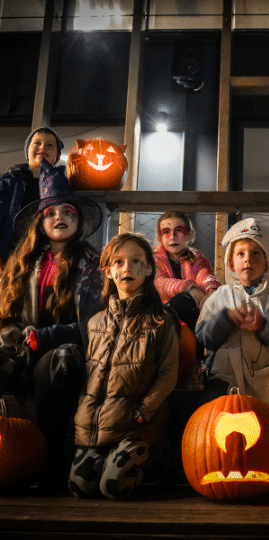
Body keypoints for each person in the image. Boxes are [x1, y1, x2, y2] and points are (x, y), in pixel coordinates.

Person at [0, 158, 102, 489]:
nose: (59, 217)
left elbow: (95, 325)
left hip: (64, 350)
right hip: (20, 349)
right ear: (41, 223)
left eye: (67, 212)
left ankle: (54, 464)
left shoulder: (90, 264)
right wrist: (11, 334)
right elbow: (4, 314)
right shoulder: (24, 261)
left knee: (61, 361)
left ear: (79, 220)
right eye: (51, 213)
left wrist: (44, 336)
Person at [69, 233, 179, 500]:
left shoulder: (160, 320)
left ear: (149, 268)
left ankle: (150, 458)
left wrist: (143, 411)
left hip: (136, 424)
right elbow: (91, 374)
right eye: (118, 262)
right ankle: (104, 452)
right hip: (100, 425)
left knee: (113, 488)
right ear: (107, 271)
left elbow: (168, 374)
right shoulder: (96, 322)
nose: (126, 268)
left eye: (135, 261)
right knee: (79, 489)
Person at [196, 217, 269, 434]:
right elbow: (204, 337)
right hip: (229, 370)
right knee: (212, 402)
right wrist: (225, 319)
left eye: (256, 253)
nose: (248, 259)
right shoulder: (220, 297)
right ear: (231, 263)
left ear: (267, 261)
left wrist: (264, 326)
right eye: (241, 254)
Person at [0, 127, 65, 263]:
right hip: (12, 255)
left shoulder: (63, 184)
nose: (43, 147)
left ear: (56, 155)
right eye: (37, 143)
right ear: (28, 150)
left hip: (49, 258)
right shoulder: (7, 183)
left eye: (50, 145)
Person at [153, 210, 221, 331]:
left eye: (179, 230)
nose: (172, 237)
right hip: (163, 320)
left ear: (190, 235)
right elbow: (160, 283)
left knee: (218, 300)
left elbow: (204, 274)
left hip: (190, 320)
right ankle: (207, 335)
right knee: (181, 300)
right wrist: (189, 288)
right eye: (166, 232)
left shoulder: (195, 257)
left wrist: (212, 290)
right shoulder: (154, 260)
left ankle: (207, 338)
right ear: (160, 238)